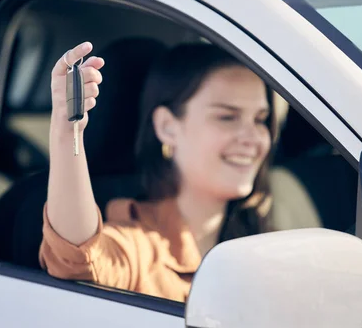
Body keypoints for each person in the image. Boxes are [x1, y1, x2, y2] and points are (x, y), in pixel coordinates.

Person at [39, 41, 278, 302]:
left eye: (260, 119)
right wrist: (67, 130)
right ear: (167, 127)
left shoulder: (264, 243)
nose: (252, 138)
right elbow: (77, 259)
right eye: (227, 117)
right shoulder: (138, 248)